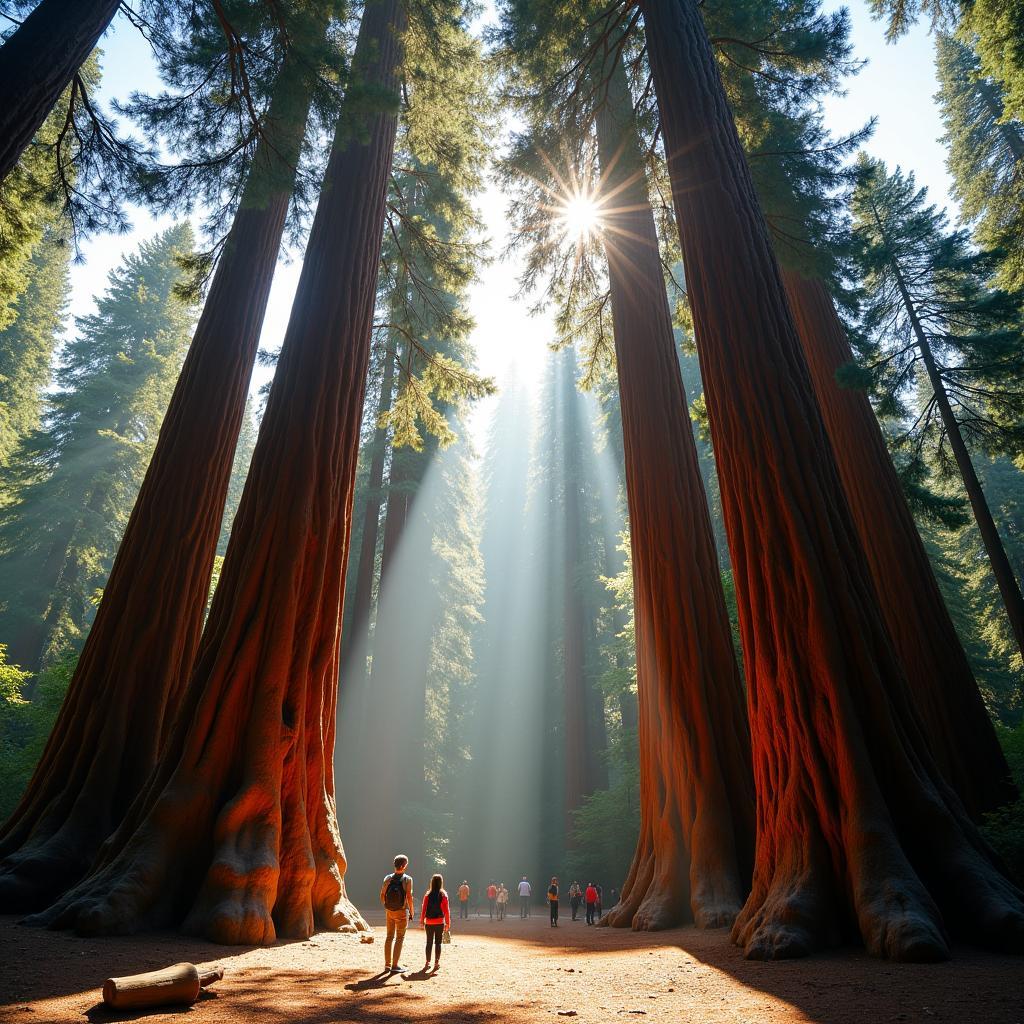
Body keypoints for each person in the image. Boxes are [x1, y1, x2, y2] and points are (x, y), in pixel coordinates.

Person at [380, 854, 414, 972]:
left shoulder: (387, 878)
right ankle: (395, 965)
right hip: (402, 911)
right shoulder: (407, 879)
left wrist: (386, 906)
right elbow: (409, 896)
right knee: (400, 938)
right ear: (404, 866)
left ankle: (387, 965)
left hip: (389, 911)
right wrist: (411, 911)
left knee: (389, 937)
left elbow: (382, 894)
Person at [420, 873, 451, 973]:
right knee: (438, 943)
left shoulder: (427, 895)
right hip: (439, 922)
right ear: (441, 883)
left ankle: (427, 962)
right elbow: (446, 910)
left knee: (429, 942)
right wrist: (448, 923)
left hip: (429, 922)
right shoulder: (443, 895)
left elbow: (423, 909)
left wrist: (421, 921)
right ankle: (436, 963)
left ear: (432, 883)